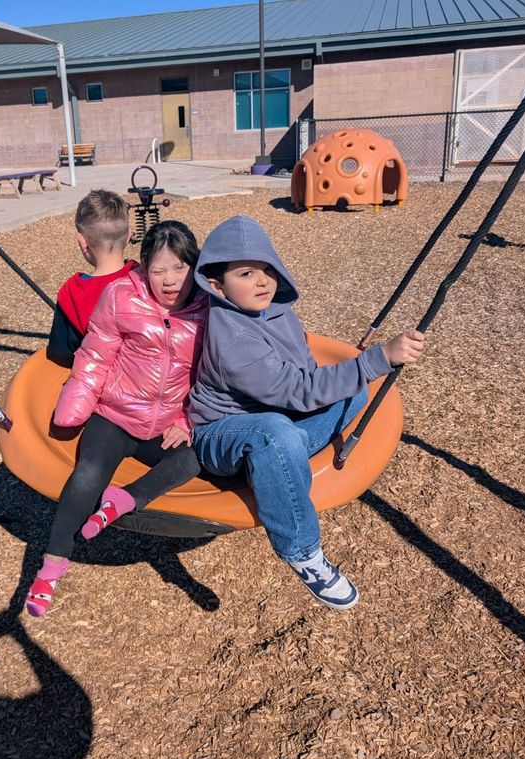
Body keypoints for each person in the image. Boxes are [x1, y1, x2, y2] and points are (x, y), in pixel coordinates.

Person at [188, 215, 425, 611]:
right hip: (221, 434)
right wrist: (379, 358)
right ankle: (302, 552)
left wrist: (353, 376)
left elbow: (305, 370)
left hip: (276, 419)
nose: (262, 281)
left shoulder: (275, 309)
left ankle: (278, 462)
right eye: (246, 274)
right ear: (217, 286)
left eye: (267, 269)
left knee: (353, 395)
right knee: (275, 433)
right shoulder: (233, 339)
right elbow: (298, 390)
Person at [26, 221, 208, 617]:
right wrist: (75, 405)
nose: (170, 280)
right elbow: (95, 356)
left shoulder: (208, 308)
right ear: (143, 268)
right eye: (158, 270)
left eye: (179, 268)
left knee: (198, 457)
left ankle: (124, 499)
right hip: (117, 414)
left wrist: (189, 420)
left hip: (168, 424)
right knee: (88, 472)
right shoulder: (121, 295)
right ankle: (52, 565)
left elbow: (213, 374)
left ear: (194, 266)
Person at [47, 189, 138, 367]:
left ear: (82, 241)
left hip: (94, 376)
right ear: (128, 235)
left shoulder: (72, 293)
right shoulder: (144, 278)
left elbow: (61, 355)